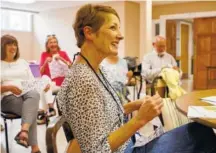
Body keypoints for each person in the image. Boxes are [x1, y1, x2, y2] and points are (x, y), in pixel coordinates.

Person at [57, 4, 216, 153]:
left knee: (200, 129)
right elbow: (97, 150)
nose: (121, 35)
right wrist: (139, 120)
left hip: (132, 142)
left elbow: (103, 115)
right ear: (89, 32)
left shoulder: (96, 70)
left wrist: (135, 105)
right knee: (204, 136)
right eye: (113, 28)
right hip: (129, 149)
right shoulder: (83, 80)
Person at [1, 35, 41, 153]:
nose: (13, 47)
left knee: (34, 94)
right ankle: (35, 148)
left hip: (27, 94)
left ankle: (24, 131)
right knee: (31, 110)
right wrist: (9, 87)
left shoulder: (23, 62)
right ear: (2, 46)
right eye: (9, 44)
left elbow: (32, 81)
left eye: (15, 44)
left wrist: (43, 84)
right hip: (8, 98)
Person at [39, 35, 72, 117]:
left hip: (61, 80)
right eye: (51, 42)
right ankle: (50, 108)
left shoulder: (62, 53)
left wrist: (61, 59)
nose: (53, 44)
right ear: (47, 45)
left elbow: (71, 66)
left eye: (55, 42)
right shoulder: (44, 54)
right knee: (44, 80)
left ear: (57, 44)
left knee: (44, 87)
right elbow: (41, 72)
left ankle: (45, 111)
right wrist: (46, 62)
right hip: (49, 81)